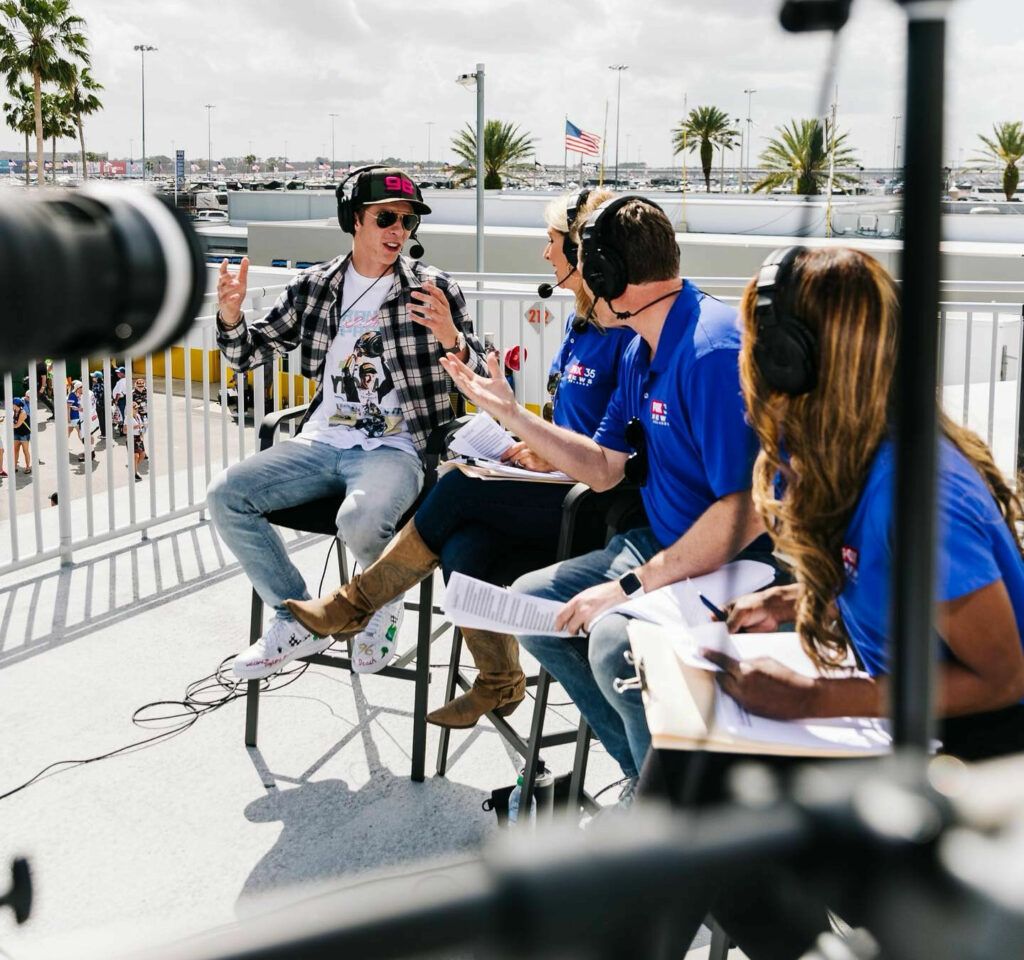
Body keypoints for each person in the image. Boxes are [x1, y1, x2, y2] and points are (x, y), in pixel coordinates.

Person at [637, 247, 1024, 959]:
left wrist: (813, 698)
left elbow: (1005, 678)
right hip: (909, 733)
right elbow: (899, 593)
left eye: (760, 344)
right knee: (691, 770)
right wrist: (795, 600)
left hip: (974, 762)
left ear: (793, 360)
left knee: (716, 834)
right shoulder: (848, 453)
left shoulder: (917, 494)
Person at [438, 196, 770, 790]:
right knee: (533, 605)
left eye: (591, 268)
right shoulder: (644, 348)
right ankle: (645, 781)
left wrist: (630, 587)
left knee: (616, 642)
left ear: (610, 276)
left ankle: (668, 814)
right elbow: (601, 467)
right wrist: (513, 415)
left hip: (735, 560)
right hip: (663, 545)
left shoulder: (712, 352)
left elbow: (744, 512)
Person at [287, 189, 637, 727]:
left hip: (588, 506)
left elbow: (620, 450)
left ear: (587, 253)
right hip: (553, 483)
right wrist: (531, 446)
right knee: (460, 540)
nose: (546, 255)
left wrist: (551, 453)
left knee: (457, 490)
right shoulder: (581, 325)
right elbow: (572, 425)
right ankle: (499, 681)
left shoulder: (629, 335)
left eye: (552, 243)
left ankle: (352, 605)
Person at [207, 167, 489, 681]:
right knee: (225, 495)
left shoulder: (432, 290)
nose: (398, 232)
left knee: (357, 521)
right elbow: (248, 353)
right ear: (352, 220)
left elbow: (485, 377)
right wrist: (230, 317)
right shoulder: (313, 288)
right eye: (386, 218)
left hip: (398, 448)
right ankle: (294, 618)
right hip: (320, 441)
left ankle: (381, 599)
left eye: (407, 222)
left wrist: (452, 335)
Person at [11, 398, 30, 473]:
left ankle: (28, 467)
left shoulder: (23, 413)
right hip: (16, 433)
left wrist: (9, 424)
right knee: (15, 450)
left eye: (12, 403)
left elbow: (17, 425)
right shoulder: (15, 411)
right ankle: (15, 465)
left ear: (15, 405)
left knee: (25, 451)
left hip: (24, 434)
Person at [129, 400, 146, 481]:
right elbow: (124, 430)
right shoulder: (128, 418)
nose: (136, 410)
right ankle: (134, 473)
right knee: (135, 456)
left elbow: (141, 426)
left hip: (139, 438)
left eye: (137, 408)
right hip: (132, 438)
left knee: (142, 455)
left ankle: (133, 467)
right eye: (135, 408)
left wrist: (142, 431)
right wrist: (135, 427)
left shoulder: (138, 416)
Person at [111, 367, 127, 435]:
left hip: (121, 399)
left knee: (121, 414)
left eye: (119, 372)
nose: (117, 373)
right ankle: (123, 428)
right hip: (123, 399)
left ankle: (123, 430)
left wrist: (116, 400)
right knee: (122, 413)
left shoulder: (122, 381)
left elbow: (118, 393)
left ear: (123, 373)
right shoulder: (124, 380)